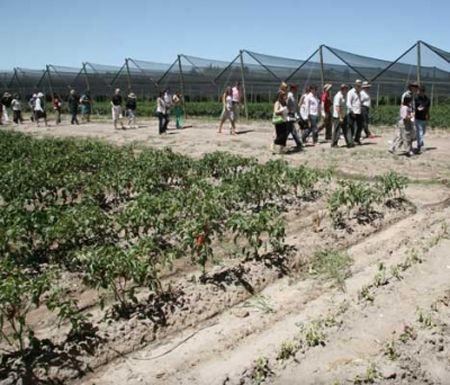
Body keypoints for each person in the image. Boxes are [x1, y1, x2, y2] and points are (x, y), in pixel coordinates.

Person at [331, 84, 353, 148]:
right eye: (345, 89)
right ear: (342, 89)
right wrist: (340, 117)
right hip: (338, 116)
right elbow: (337, 108)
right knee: (337, 130)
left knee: (347, 129)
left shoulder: (345, 95)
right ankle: (334, 144)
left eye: (346, 89)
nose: (346, 90)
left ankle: (349, 142)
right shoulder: (338, 96)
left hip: (344, 115)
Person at [347, 79, 363, 145]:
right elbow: (348, 103)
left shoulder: (359, 92)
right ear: (355, 85)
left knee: (360, 126)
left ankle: (357, 139)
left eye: (360, 86)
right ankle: (350, 140)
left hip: (359, 111)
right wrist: (352, 111)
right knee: (351, 127)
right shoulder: (351, 92)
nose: (359, 87)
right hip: (352, 112)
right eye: (358, 86)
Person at [414, 85, 430, 153]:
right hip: (417, 117)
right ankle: (420, 145)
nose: (417, 92)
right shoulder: (416, 99)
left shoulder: (427, 99)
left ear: (422, 92)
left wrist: (428, 114)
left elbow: (427, 108)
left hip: (424, 118)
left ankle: (420, 143)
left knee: (423, 132)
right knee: (419, 131)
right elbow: (415, 108)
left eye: (418, 91)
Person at [286, 84, 302, 149]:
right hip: (289, 114)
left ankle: (298, 143)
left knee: (291, 130)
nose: (297, 90)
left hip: (292, 114)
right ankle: (298, 143)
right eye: (296, 88)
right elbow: (286, 105)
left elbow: (295, 107)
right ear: (292, 89)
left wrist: (297, 114)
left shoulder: (293, 96)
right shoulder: (289, 96)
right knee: (291, 129)